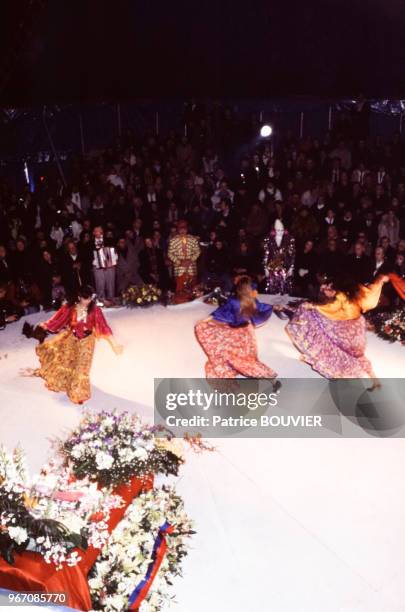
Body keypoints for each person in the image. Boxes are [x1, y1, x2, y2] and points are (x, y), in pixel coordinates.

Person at [285, 275, 390, 383]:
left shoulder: (340, 295)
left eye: (326, 288)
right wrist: (380, 281)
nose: (324, 290)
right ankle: (374, 379)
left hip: (346, 328)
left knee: (329, 340)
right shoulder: (353, 293)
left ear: (333, 288)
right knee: (356, 353)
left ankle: (322, 361)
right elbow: (371, 292)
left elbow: (332, 308)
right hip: (356, 325)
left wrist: (314, 306)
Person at [34, 285, 123, 404]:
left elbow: (104, 326)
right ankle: (67, 382)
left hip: (87, 341)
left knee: (82, 367)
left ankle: (78, 393)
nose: (87, 301)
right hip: (73, 338)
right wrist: (45, 325)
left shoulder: (95, 310)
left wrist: (115, 343)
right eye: (85, 299)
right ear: (79, 297)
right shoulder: (70, 308)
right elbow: (58, 319)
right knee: (67, 362)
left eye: (89, 298)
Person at [195, 276, 279, 382]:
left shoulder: (233, 301)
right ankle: (270, 378)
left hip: (235, 333)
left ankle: (233, 371)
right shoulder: (254, 301)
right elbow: (264, 308)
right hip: (247, 333)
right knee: (246, 360)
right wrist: (273, 307)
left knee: (230, 355)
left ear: (239, 289)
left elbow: (220, 312)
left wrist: (204, 321)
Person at [167, 219, 201, 303]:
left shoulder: (193, 239)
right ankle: (181, 309)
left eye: (184, 228)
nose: (182, 230)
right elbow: (170, 254)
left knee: (193, 290)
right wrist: (180, 262)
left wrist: (191, 260)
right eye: (180, 228)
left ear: (187, 229)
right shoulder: (173, 240)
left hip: (191, 268)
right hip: (179, 270)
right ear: (178, 229)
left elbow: (198, 251)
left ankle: (194, 307)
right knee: (179, 292)